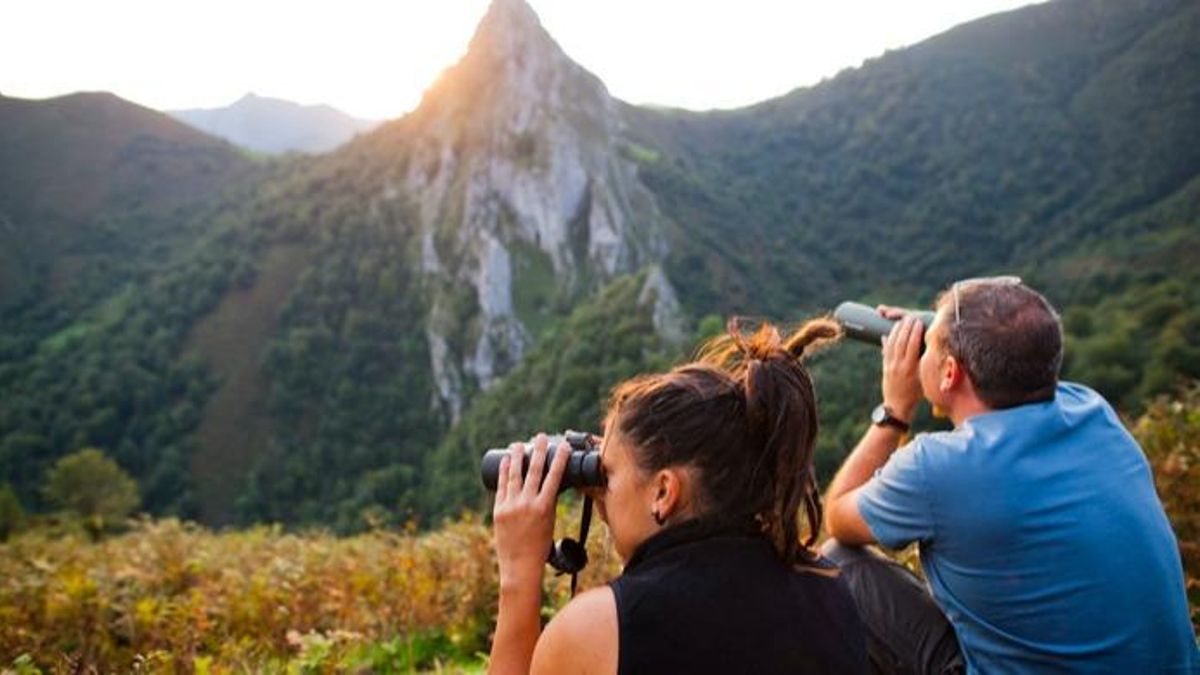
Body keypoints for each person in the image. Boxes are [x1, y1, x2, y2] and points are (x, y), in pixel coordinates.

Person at [823, 277, 1199, 673]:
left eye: (930, 346)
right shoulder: (1092, 409)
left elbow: (838, 518)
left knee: (842, 564)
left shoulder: (935, 469)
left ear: (950, 372)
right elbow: (1010, 350)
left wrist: (894, 411)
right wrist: (940, 327)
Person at [488, 319, 870, 675]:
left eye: (609, 475)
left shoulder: (597, 630)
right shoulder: (830, 588)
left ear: (664, 491)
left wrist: (519, 576)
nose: (602, 497)